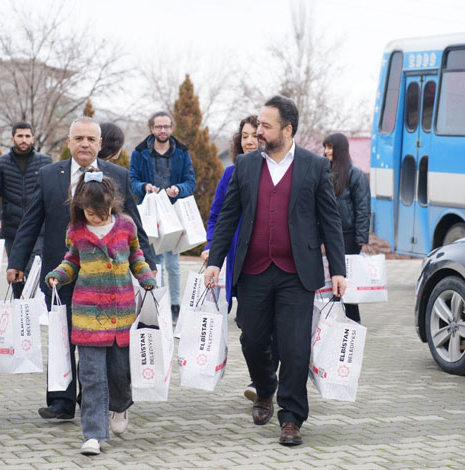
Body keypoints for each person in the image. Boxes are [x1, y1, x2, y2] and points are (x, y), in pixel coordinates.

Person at [204, 96, 347, 446]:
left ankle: (291, 416)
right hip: (252, 270)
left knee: (295, 346)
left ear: (287, 129)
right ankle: (265, 387)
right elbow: (228, 217)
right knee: (251, 338)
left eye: (266, 126)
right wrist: (214, 262)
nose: (259, 131)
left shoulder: (314, 167)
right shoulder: (247, 165)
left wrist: (339, 270)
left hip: (297, 272)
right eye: (258, 126)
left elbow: (330, 220)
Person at [7, 117, 157, 422]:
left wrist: (148, 267)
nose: (85, 144)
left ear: (100, 144)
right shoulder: (49, 174)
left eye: (91, 139)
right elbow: (31, 221)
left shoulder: (118, 175)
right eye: (79, 138)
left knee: (103, 341)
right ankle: (61, 401)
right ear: (69, 141)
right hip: (62, 272)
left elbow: (134, 225)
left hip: (107, 279)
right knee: (63, 336)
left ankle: (101, 399)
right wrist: (15, 263)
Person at [46, 168, 156, 455]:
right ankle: (93, 434)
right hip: (87, 315)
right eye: (88, 212)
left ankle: (120, 407)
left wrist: (146, 278)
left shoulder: (126, 227)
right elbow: (71, 260)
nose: (94, 217)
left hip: (121, 314)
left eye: (100, 212)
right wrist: (59, 274)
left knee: (120, 374)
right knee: (91, 376)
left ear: (111, 204)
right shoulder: (77, 232)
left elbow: (136, 256)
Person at [201, 115, 269, 402]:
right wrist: (211, 247)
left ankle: (262, 383)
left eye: (255, 135)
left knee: (276, 326)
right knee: (247, 324)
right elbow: (217, 215)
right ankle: (263, 375)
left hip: (273, 260)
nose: (250, 140)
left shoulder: (276, 172)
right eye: (244, 136)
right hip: (240, 262)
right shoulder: (231, 174)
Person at [129, 111, 196, 319]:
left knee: (173, 263)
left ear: (171, 128)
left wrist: (178, 189)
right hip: (149, 212)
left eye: (166, 126)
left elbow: (190, 182)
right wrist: (144, 187)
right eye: (159, 127)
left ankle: (175, 304)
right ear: (151, 128)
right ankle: (159, 302)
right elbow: (131, 180)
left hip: (174, 212)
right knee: (155, 261)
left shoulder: (182, 152)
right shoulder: (139, 152)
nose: (163, 130)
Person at [0, 122, 52, 297]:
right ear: (12, 138)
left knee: (32, 268)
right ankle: (19, 309)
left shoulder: (45, 162)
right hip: (13, 229)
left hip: (39, 228)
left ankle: (32, 309)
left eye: (27, 136)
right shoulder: (1, 163)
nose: (23, 140)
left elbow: (51, 194)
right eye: (20, 136)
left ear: (33, 138)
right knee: (15, 273)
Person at [323, 132, 370, 323]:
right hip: (329, 235)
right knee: (331, 281)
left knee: (346, 284)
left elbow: (363, 206)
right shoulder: (323, 172)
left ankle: (352, 322)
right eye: (325, 147)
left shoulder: (354, 174)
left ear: (340, 150)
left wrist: (361, 237)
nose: (326, 151)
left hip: (349, 237)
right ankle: (333, 322)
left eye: (330, 147)